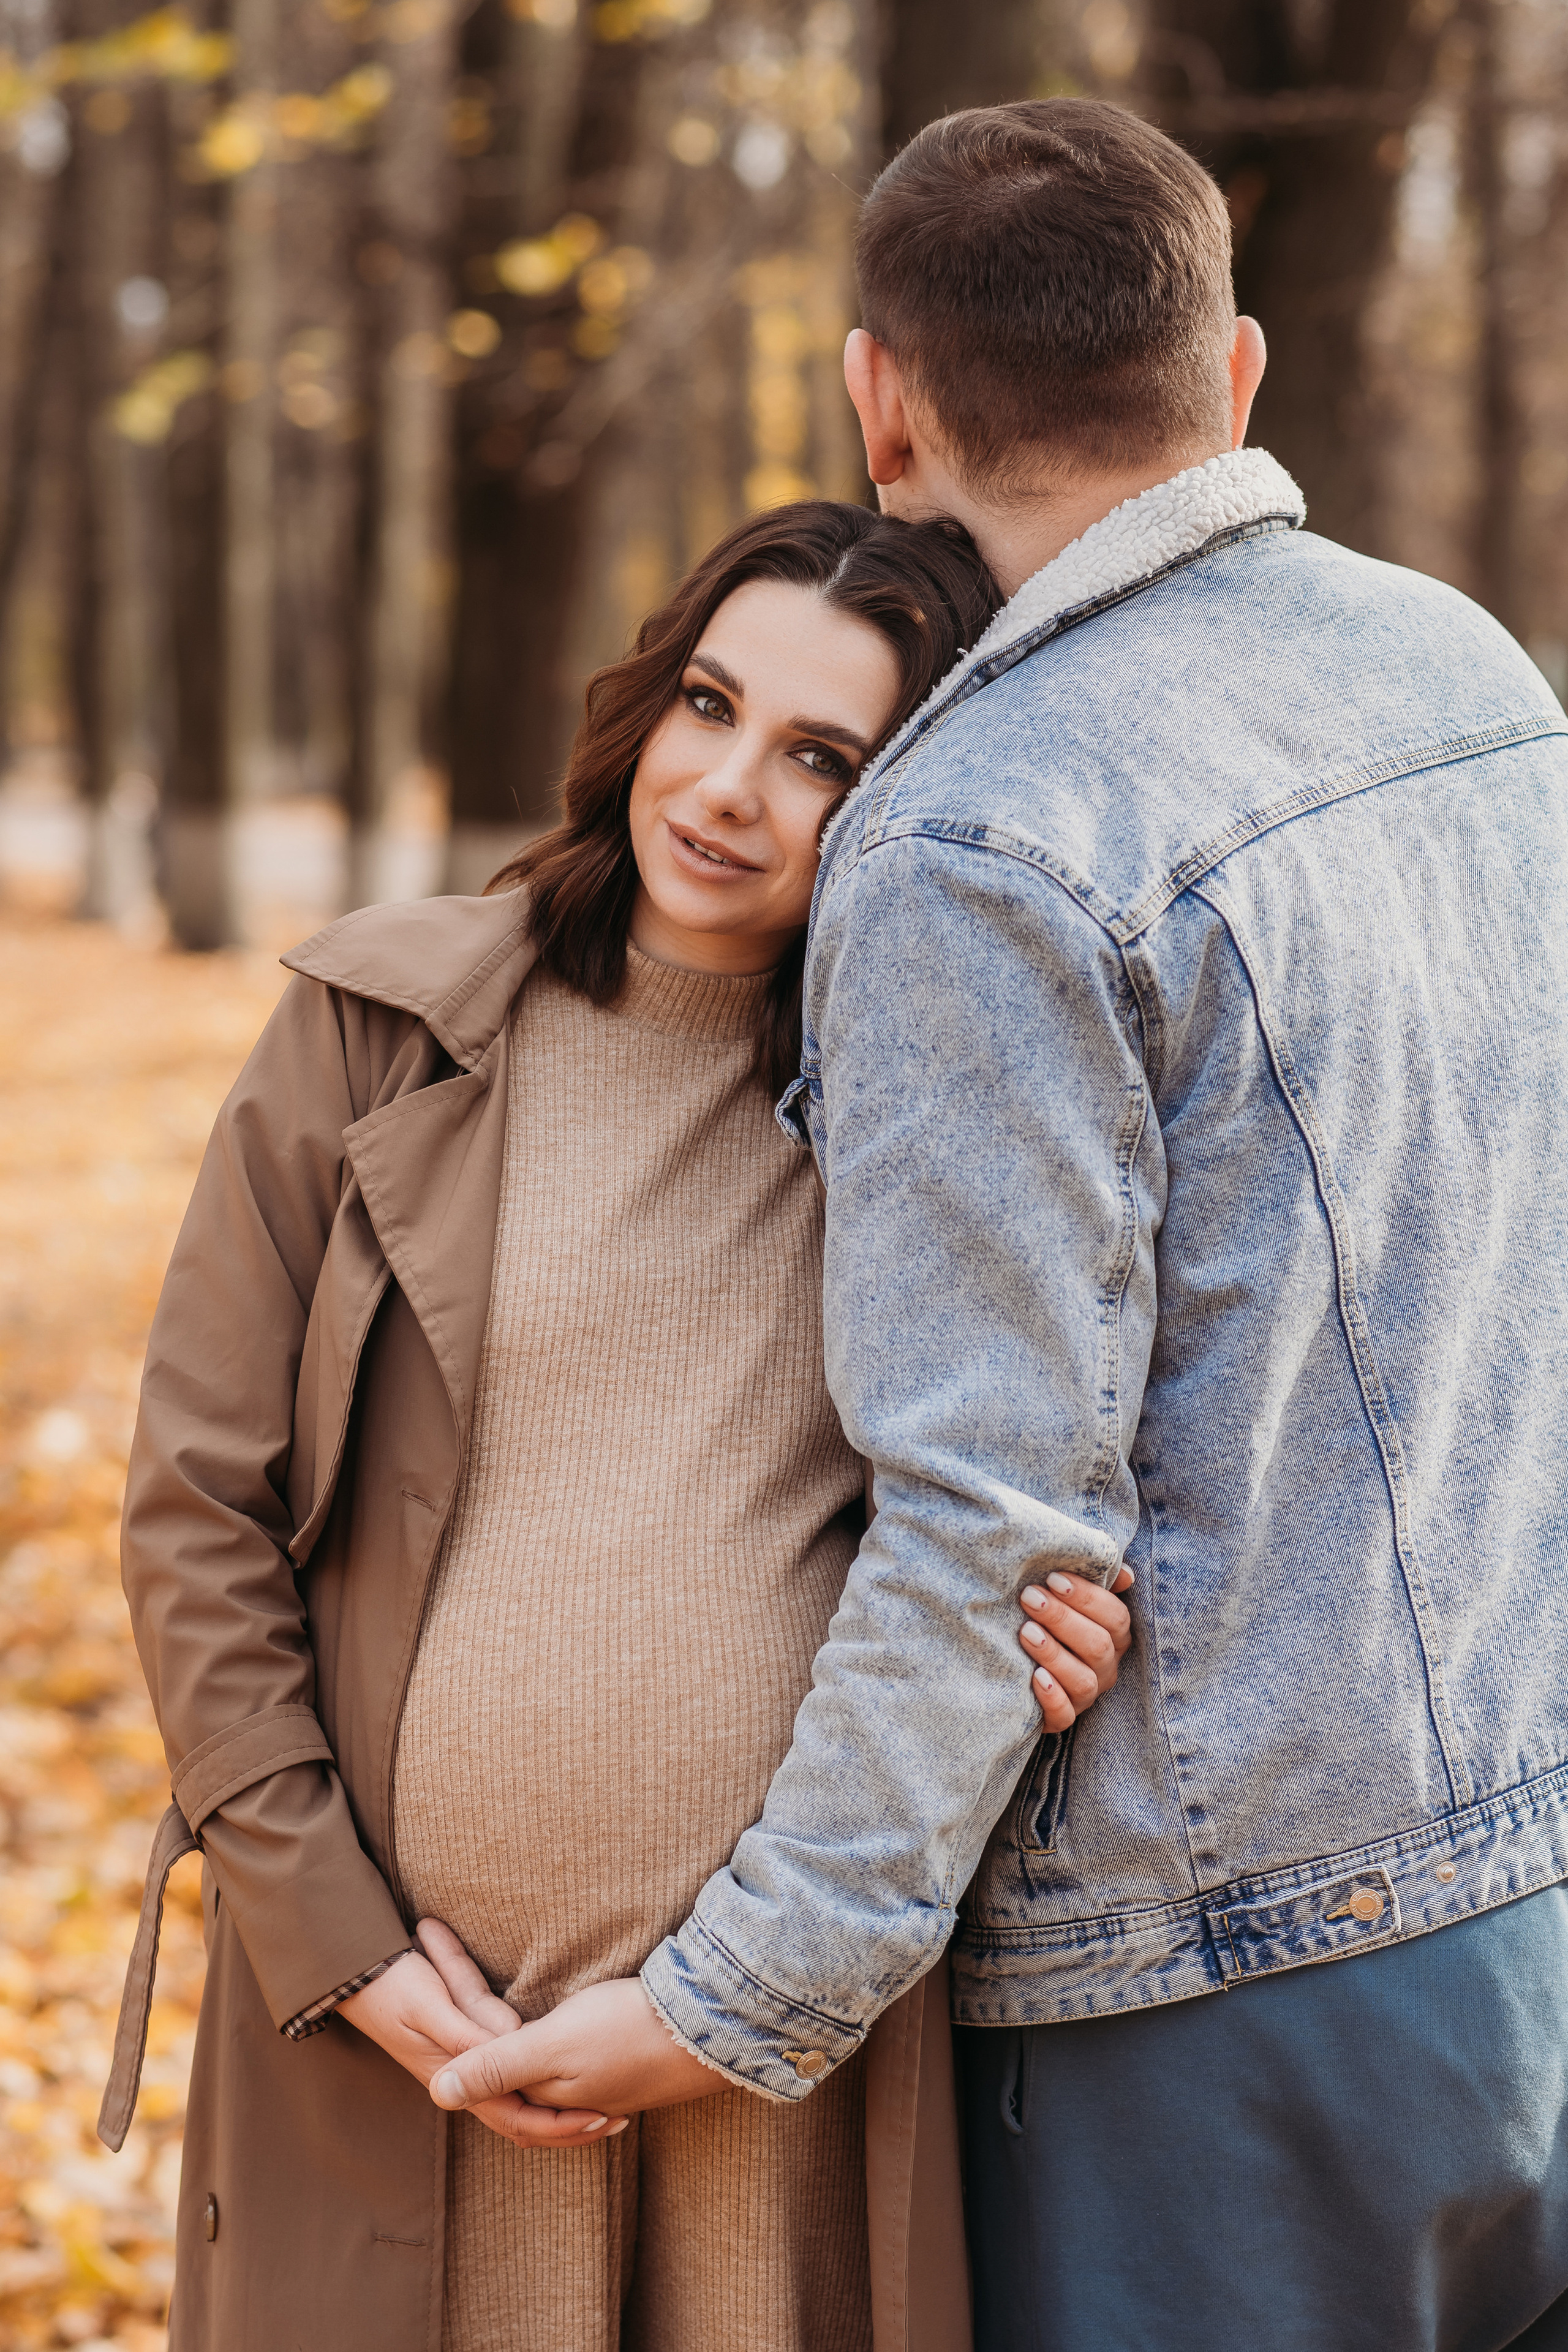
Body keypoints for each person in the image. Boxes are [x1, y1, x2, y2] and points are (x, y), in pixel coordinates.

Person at [428, 99, 1568, 2352]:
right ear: (1234, 375)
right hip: (1535, 1895)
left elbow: (991, 1520)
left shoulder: (978, 832)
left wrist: (736, 2003)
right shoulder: (1476, 677)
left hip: (1216, 1983)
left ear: (884, 404)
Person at [98, 497, 1132, 2352]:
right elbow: (193, 1516)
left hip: (769, 2057)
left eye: (825, 754)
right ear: (645, 702)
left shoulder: (932, 1125)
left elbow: (1022, 1500)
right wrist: (333, 1939)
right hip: (406, 2039)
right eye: (711, 705)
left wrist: (1057, 1615)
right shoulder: (378, 1027)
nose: (731, 787)